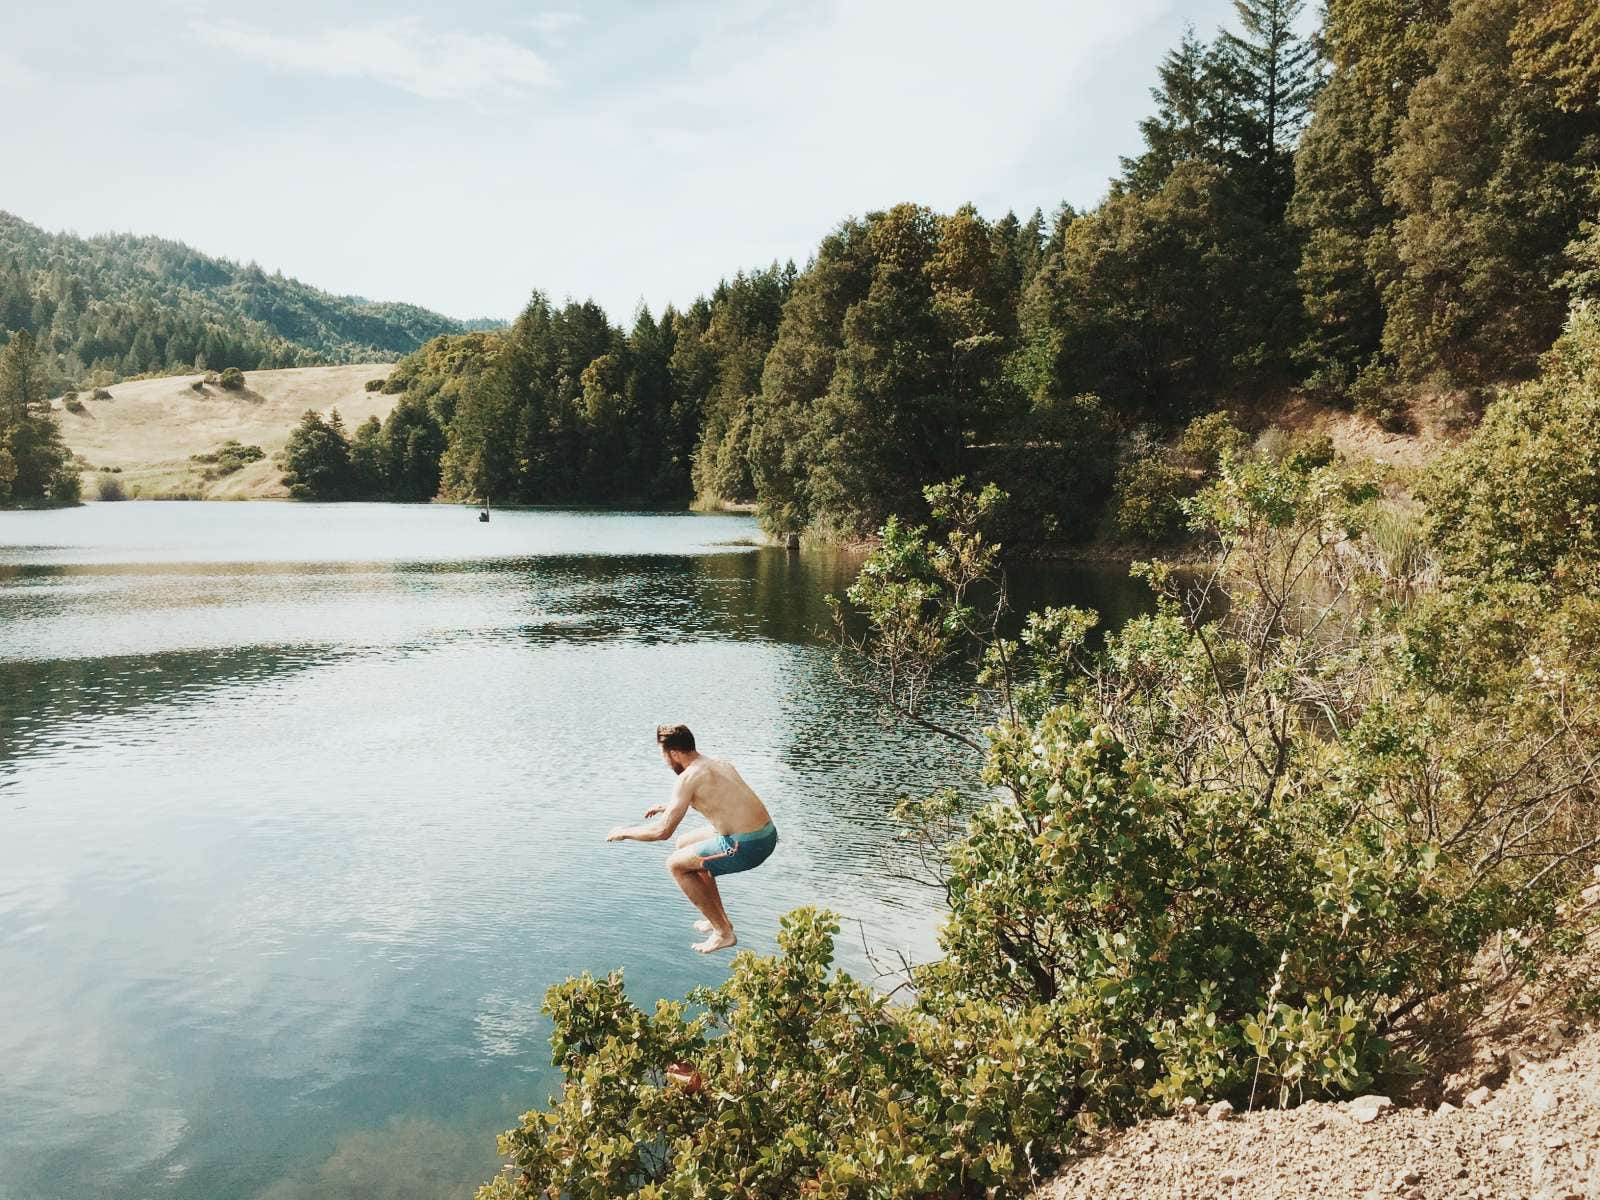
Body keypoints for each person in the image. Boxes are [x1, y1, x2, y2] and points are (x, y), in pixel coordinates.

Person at [606, 724, 778, 953]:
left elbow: (662, 832)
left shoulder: (688, 778)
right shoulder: (718, 763)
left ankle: (723, 933)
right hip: (765, 832)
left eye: (664, 756)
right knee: (684, 845)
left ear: (674, 753)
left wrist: (624, 832)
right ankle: (719, 919)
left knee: (676, 865)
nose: (666, 762)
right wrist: (670, 807)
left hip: (747, 844)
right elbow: (719, 801)